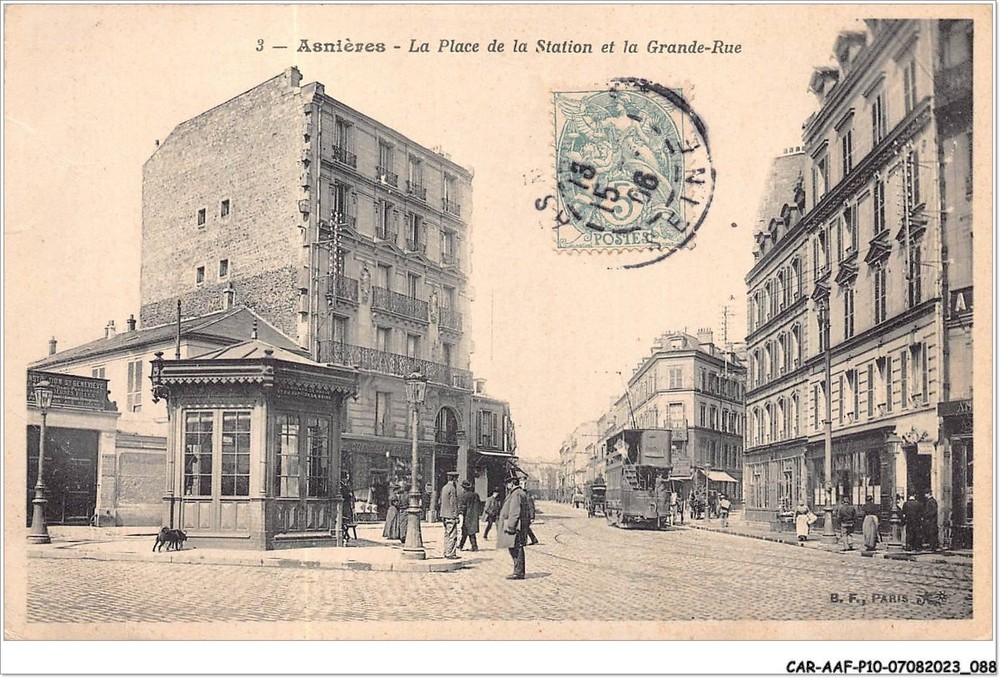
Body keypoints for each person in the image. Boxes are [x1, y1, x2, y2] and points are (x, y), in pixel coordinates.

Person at [496, 474, 531, 580]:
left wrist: (511, 526)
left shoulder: (516, 494)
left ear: (512, 483)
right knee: (517, 547)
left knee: (516, 548)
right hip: (520, 525)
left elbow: (515, 511)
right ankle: (519, 571)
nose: (507, 485)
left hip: (515, 526)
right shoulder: (520, 493)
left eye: (508, 483)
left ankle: (518, 572)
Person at [439, 471, 460, 559]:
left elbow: (441, 501)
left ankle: (446, 551)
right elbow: (453, 503)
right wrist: (456, 516)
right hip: (450, 515)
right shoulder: (452, 488)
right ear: (454, 479)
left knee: (447, 534)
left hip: (444, 514)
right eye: (456, 478)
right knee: (452, 535)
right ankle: (450, 553)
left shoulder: (444, 488)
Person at [457, 480, 482, 552]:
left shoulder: (464, 495)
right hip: (474, 515)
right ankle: (473, 546)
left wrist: (460, 513)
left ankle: (463, 546)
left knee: (466, 531)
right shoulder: (476, 495)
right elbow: (479, 505)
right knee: (471, 532)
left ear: (464, 488)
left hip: (467, 515)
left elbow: (463, 506)